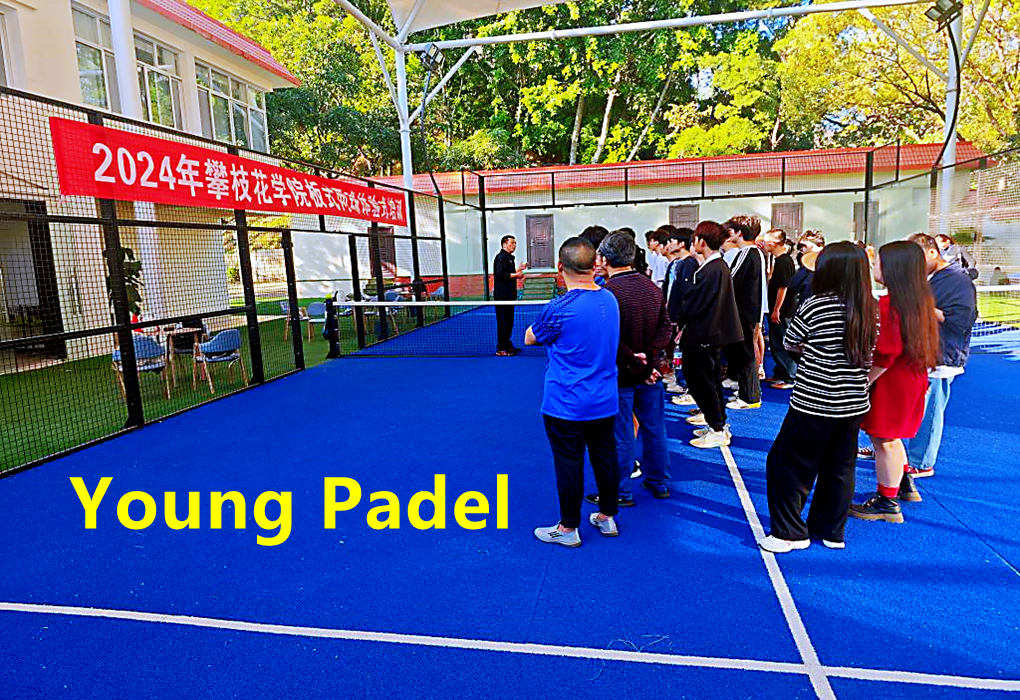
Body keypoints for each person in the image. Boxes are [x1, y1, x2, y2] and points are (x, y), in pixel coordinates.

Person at [759, 242, 878, 553]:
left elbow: (790, 341)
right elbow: (869, 356)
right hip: (853, 403)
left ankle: (788, 532)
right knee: (840, 467)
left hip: (814, 400)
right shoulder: (870, 309)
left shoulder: (816, 305)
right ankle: (831, 531)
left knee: (787, 464)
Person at [527, 236, 622, 547]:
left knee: (569, 463)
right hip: (604, 401)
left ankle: (568, 529)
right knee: (605, 457)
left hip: (566, 405)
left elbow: (531, 337)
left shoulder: (558, 308)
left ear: (560, 267)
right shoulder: (610, 299)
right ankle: (607, 516)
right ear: (594, 266)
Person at [850, 241, 940, 523]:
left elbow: (886, 353)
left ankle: (886, 502)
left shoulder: (890, 306)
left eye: (878, 263)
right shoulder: (920, 302)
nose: (874, 267)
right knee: (892, 437)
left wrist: (863, 382)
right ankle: (902, 483)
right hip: (910, 379)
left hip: (893, 384)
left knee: (884, 440)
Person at [584, 232, 672, 507]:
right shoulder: (653, 289)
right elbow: (666, 328)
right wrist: (652, 362)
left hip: (620, 376)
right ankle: (658, 482)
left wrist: (636, 360)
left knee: (621, 434)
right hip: (650, 376)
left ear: (605, 259)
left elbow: (609, 338)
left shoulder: (607, 294)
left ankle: (620, 491)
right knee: (654, 429)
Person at [903, 233, 978, 478]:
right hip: (921, 352)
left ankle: (921, 462)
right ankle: (890, 447)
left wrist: (921, 307)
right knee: (910, 406)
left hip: (941, 356)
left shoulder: (958, 281)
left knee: (930, 411)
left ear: (933, 252)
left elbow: (962, 322)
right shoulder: (934, 277)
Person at [676, 221, 743, 448]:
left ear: (701, 241)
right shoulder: (714, 267)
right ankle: (716, 422)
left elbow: (694, 304)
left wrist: (679, 316)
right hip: (709, 335)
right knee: (708, 382)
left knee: (702, 383)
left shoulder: (712, 269)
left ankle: (717, 428)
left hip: (704, 336)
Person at [723, 216, 766, 410]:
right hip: (746, 313)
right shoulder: (749, 252)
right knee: (743, 354)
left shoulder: (749, 252)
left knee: (747, 355)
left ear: (739, 233)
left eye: (731, 231)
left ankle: (750, 397)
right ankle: (746, 392)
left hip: (745, 313)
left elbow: (731, 280)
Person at [762, 228, 798, 388]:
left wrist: (777, 309)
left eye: (767, 241)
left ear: (775, 243)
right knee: (777, 342)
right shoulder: (779, 260)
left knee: (782, 342)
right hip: (778, 309)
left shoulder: (784, 261)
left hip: (783, 311)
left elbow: (783, 288)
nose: (764, 244)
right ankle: (781, 373)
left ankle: (790, 377)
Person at [492, 235, 528, 356]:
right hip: (502, 297)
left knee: (509, 321)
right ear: (504, 244)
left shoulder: (509, 258)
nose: (514, 245)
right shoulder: (501, 257)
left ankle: (507, 344)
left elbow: (509, 274)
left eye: (515, 243)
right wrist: (517, 275)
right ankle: (501, 348)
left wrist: (519, 270)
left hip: (509, 296)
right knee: (503, 322)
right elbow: (500, 275)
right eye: (512, 243)